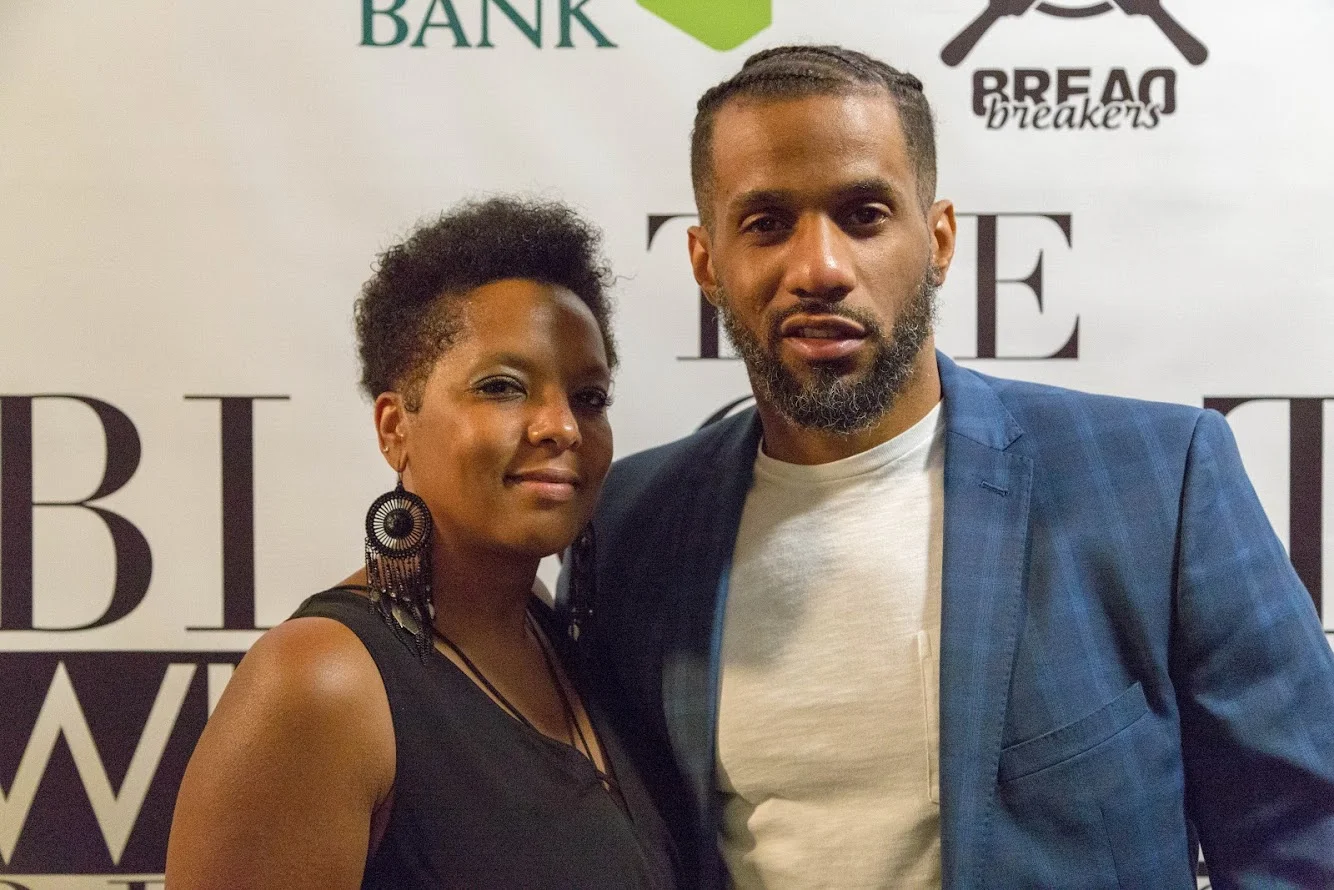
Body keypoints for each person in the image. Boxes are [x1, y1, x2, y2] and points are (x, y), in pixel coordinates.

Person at [564, 45, 1334, 889]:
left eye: (863, 215)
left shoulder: (1155, 480)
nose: (819, 268)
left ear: (937, 241)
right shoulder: (631, 523)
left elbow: (1304, 834)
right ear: (707, 264)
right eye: (767, 223)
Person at [165, 197, 676, 889]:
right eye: (503, 387)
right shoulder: (322, 683)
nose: (561, 427)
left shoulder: (558, 640)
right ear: (394, 428)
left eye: (589, 397)